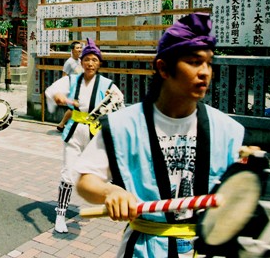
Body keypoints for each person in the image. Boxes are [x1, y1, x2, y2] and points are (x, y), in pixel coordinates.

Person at [74, 13, 245, 257]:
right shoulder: (124, 125)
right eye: (195, 62)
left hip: (207, 248)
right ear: (163, 68)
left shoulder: (226, 130)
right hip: (145, 249)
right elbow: (85, 180)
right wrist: (111, 192)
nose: (205, 72)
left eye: (209, 62)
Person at [45, 38, 123, 233]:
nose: (90, 63)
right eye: (87, 59)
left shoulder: (107, 84)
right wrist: (58, 97)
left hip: (95, 133)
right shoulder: (71, 80)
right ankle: (60, 215)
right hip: (74, 132)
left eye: (94, 60)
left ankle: (108, 203)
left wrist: (111, 104)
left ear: (99, 63)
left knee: (105, 173)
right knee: (68, 174)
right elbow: (51, 90)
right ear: (81, 62)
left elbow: (120, 101)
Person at [56, 41, 83, 132]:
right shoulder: (69, 62)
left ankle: (64, 124)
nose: (79, 50)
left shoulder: (79, 61)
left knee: (77, 108)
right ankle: (62, 124)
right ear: (72, 50)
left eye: (80, 48)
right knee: (74, 108)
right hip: (73, 88)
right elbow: (64, 76)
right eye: (77, 48)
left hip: (80, 88)